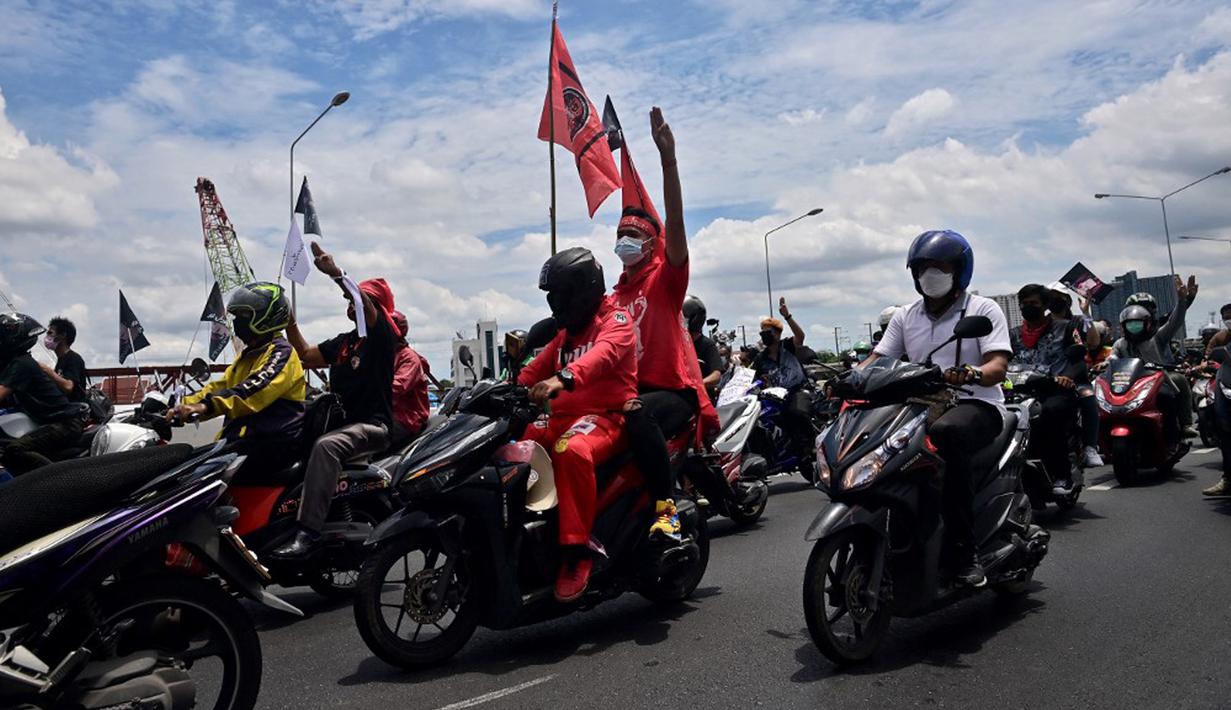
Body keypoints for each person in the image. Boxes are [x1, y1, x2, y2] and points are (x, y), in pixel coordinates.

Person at [857, 230, 1011, 587]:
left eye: (940, 266)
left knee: (947, 434)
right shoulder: (905, 316)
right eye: (923, 267)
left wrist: (972, 373)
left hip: (976, 403)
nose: (931, 274)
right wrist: (849, 380)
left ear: (959, 270)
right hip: (921, 407)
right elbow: (878, 359)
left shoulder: (982, 309)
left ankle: (963, 552)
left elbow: (998, 366)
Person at [609, 106, 718, 543]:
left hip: (672, 393)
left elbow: (676, 221)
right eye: (620, 235)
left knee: (638, 416)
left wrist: (668, 162)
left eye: (633, 236)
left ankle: (666, 507)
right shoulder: (613, 298)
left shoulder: (665, 281)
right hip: (627, 393)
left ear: (653, 243)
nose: (624, 241)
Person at [517, 247, 638, 602]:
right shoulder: (565, 334)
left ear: (583, 290)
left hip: (607, 418)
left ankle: (576, 552)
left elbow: (603, 355)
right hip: (563, 419)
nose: (554, 303)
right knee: (517, 445)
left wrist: (563, 378)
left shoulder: (616, 320)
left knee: (570, 450)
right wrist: (501, 391)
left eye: (559, 294)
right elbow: (531, 372)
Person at [276, 242, 398, 559]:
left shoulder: (381, 337)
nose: (351, 303)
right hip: (343, 426)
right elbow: (305, 354)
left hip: (373, 427)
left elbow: (365, 305)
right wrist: (289, 320)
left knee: (326, 447)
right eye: (349, 300)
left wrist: (336, 274)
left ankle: (307, 532)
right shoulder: (345, 343)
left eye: (356, 299)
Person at [170, 283, 305, 470]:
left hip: (271, 446)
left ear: (267, 316)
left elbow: (253, 391)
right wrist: (180, 404)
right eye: (237, 315)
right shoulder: (249, 355)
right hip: (242, 443)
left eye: (245, 315)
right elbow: (219, 387)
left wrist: (205, 406)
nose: (237, 321)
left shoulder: (281, 353)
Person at [1010, 284, 1087, 492]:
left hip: (1056, 391)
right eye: (1024, 304)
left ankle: (1063, 476)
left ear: (1045, 305)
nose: (1028, 307)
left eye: (1033, 303)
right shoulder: (1012, 335)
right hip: (1021, 393)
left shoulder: (1066, 328)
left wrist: (1067, 378)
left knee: (1050, 414)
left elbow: (1079, 362)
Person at [1110, 276, 1199, 438]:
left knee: (1178, 380)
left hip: (1159, 380)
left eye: (1144, 312)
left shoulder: (1157, 336)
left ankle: (1185, 424)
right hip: (1128, 383)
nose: (1137, 318)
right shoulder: (1120, 343)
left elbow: (1175, 320)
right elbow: (1111, 359)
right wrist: (1105, 365)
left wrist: (1182, 300)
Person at [0, 313, 87, 475]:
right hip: (53, 420)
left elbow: (2, 392)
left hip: (65, 423)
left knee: (15, 450)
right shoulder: (15, 364)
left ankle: (59, 482)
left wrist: (48, 371)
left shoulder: (22, 364)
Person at [389, 310, 430, 448]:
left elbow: (396, 387)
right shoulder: (385, 355)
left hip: (406, 420)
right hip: (388, 416)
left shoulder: (408, 358)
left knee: (359, 442)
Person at [39, 317, 88, 403]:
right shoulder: (61, 360)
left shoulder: (74, 359)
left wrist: (47, 371)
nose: (47, 337)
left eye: (50, 333)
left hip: (74, 409)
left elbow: (68, 386)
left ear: (62, 335)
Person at [683, 295, 723, 399]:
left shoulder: (707, 345)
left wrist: (696, 385)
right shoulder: (679, 345)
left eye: (683, 319)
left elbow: (716, 375)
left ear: (694, 320)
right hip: (681, 398)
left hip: (702, 399)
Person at [752, 317, 805, 389]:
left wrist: (788, 317)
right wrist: (761, 380)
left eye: (767, 333)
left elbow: (800, 337)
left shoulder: (787, 346)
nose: (764, 336)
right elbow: (751, 378)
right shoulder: (760, 358)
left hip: (797, 390)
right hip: (773, 394)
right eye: (762, 333)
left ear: (778, 334)